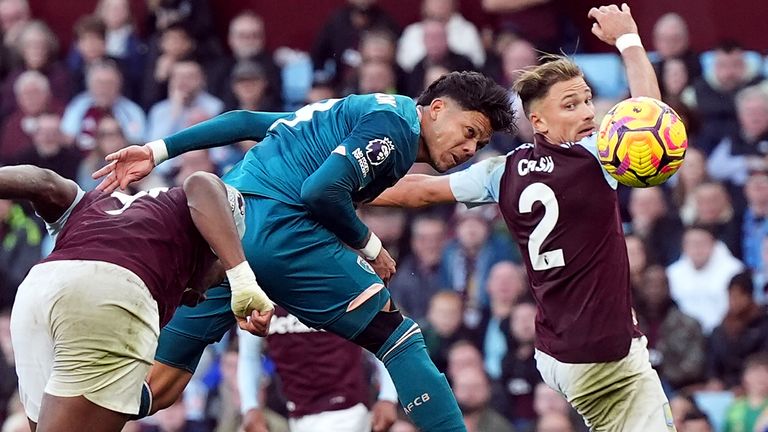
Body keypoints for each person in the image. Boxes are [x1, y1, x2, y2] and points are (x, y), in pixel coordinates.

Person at [94, 69, 515, 431]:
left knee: (161, 384)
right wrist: (370, 246)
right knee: (398, 338)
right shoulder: (396, 128)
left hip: (221, 234)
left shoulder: (354, 112)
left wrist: (156, 149)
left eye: (479, 146)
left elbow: (243, 121)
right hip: (279, 232)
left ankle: (72, 406)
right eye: (469, 133)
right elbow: (321, 191)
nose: (469, 150)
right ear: (437, 108)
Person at [369, 4, 675, 430]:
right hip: (603, 354)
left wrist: (341, 190)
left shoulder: (503, 169)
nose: (588, 112)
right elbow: (649, 115)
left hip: (553, 351)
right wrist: (628, 40)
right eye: (571, 105)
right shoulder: (595, 157)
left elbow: (417, 191)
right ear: (539, 122)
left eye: (587, 99)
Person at [5, 165, 273, 432]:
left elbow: (45, 182)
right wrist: (241, 277)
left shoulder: (95, 205)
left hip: (36, 291)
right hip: (111, 294)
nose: (202, 296)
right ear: (213, 239)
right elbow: (201, 183)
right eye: (217, 278)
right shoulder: (189, 207)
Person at [237, 306, 398, 432]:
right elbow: (249, 355)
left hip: (346, 409)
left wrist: (388, 396)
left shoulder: (338, 277)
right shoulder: (260, 291)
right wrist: (250, 406)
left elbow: (384, 336)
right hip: (298, 411)